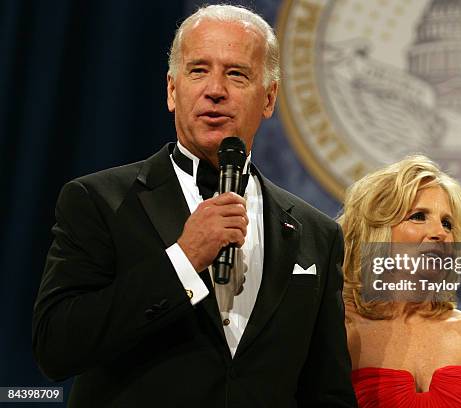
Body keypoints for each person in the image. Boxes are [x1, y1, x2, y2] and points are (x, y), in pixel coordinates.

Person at [33, 5, 356, 407]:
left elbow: (327, 391)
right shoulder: (98, 201)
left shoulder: (316, 234)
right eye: (198, 70)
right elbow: (56, 348)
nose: (215, 89)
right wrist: (183, 261)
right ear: (172, 90)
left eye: (236, 73)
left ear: (269, 98)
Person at [338, 156, 461, 408]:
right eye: (419, 216)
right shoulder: (341, 331)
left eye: (447, 223)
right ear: (377, 232)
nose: (440, 233)